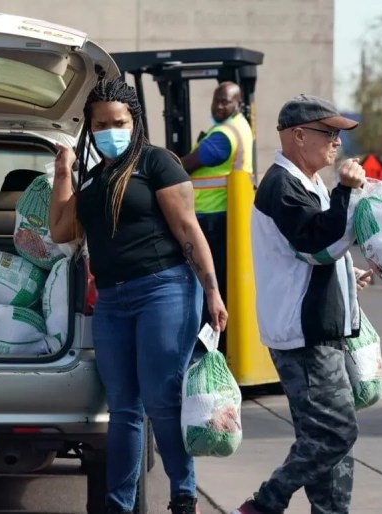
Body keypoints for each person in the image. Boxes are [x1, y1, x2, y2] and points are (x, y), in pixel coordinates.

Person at [49, 76, 228, 514]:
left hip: (163, 290)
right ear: (89, 128)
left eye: (119, 121)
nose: (110, 130)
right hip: (111, 301)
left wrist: (212, 291)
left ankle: (183, 495)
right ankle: (119, 505)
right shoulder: (91, 179)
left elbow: (189, 229)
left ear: (135, 121)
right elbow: (60, 230)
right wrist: (61, 173)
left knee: (162, 400)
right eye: (101, 124)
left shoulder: (157, 163)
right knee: (123, 409)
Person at [232, 94, 373, 514]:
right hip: (304, 337)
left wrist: (349, 279)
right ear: (298, 135)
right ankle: (266, 502)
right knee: (334, 435)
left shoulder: (306, 182)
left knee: (327, 444)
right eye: (328, 133)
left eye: (338, 135)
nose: (336, 143)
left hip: (318, 331)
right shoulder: (282, 185)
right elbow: (317, 245)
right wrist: (347, 193)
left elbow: (320, 254)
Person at [179, 81, 254, 354]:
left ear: (238, 104)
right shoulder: (240, 127)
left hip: (211, 218)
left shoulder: (224, 135)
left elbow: (189, 164)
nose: (219, 106)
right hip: (220, 216)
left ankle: (205, 351)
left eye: (226, 101)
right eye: (216, 100)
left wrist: (160, 163)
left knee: (206, 285)